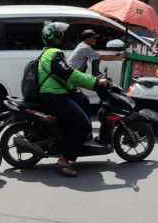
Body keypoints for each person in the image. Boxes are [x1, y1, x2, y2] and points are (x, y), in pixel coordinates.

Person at [38, 22, 109, 177]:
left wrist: (75, 86)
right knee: (82, 124)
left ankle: (76, 142)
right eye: (61, 34)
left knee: (82, 100)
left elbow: (64, 75)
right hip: (55, 95)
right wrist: (95, 82)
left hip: (55, 92)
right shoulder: (54, 53)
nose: (63, 36)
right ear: (57, 37)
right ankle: (64, 160)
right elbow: (69, 73)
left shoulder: (47, 52)